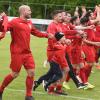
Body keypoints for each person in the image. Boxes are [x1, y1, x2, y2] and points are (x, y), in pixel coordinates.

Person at [0, 5, 53, 100]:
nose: (31, 12)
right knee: (15, 74)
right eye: (29, 10)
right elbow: (3, 28)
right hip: (17, 53)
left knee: (31, 72)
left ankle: (28, 95)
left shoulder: (29, 22)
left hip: (27, 53)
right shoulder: (14, 22)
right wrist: (2, 20)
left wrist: (47, 35)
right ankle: (1, 89)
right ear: (23, 11)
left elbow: (36, 32)